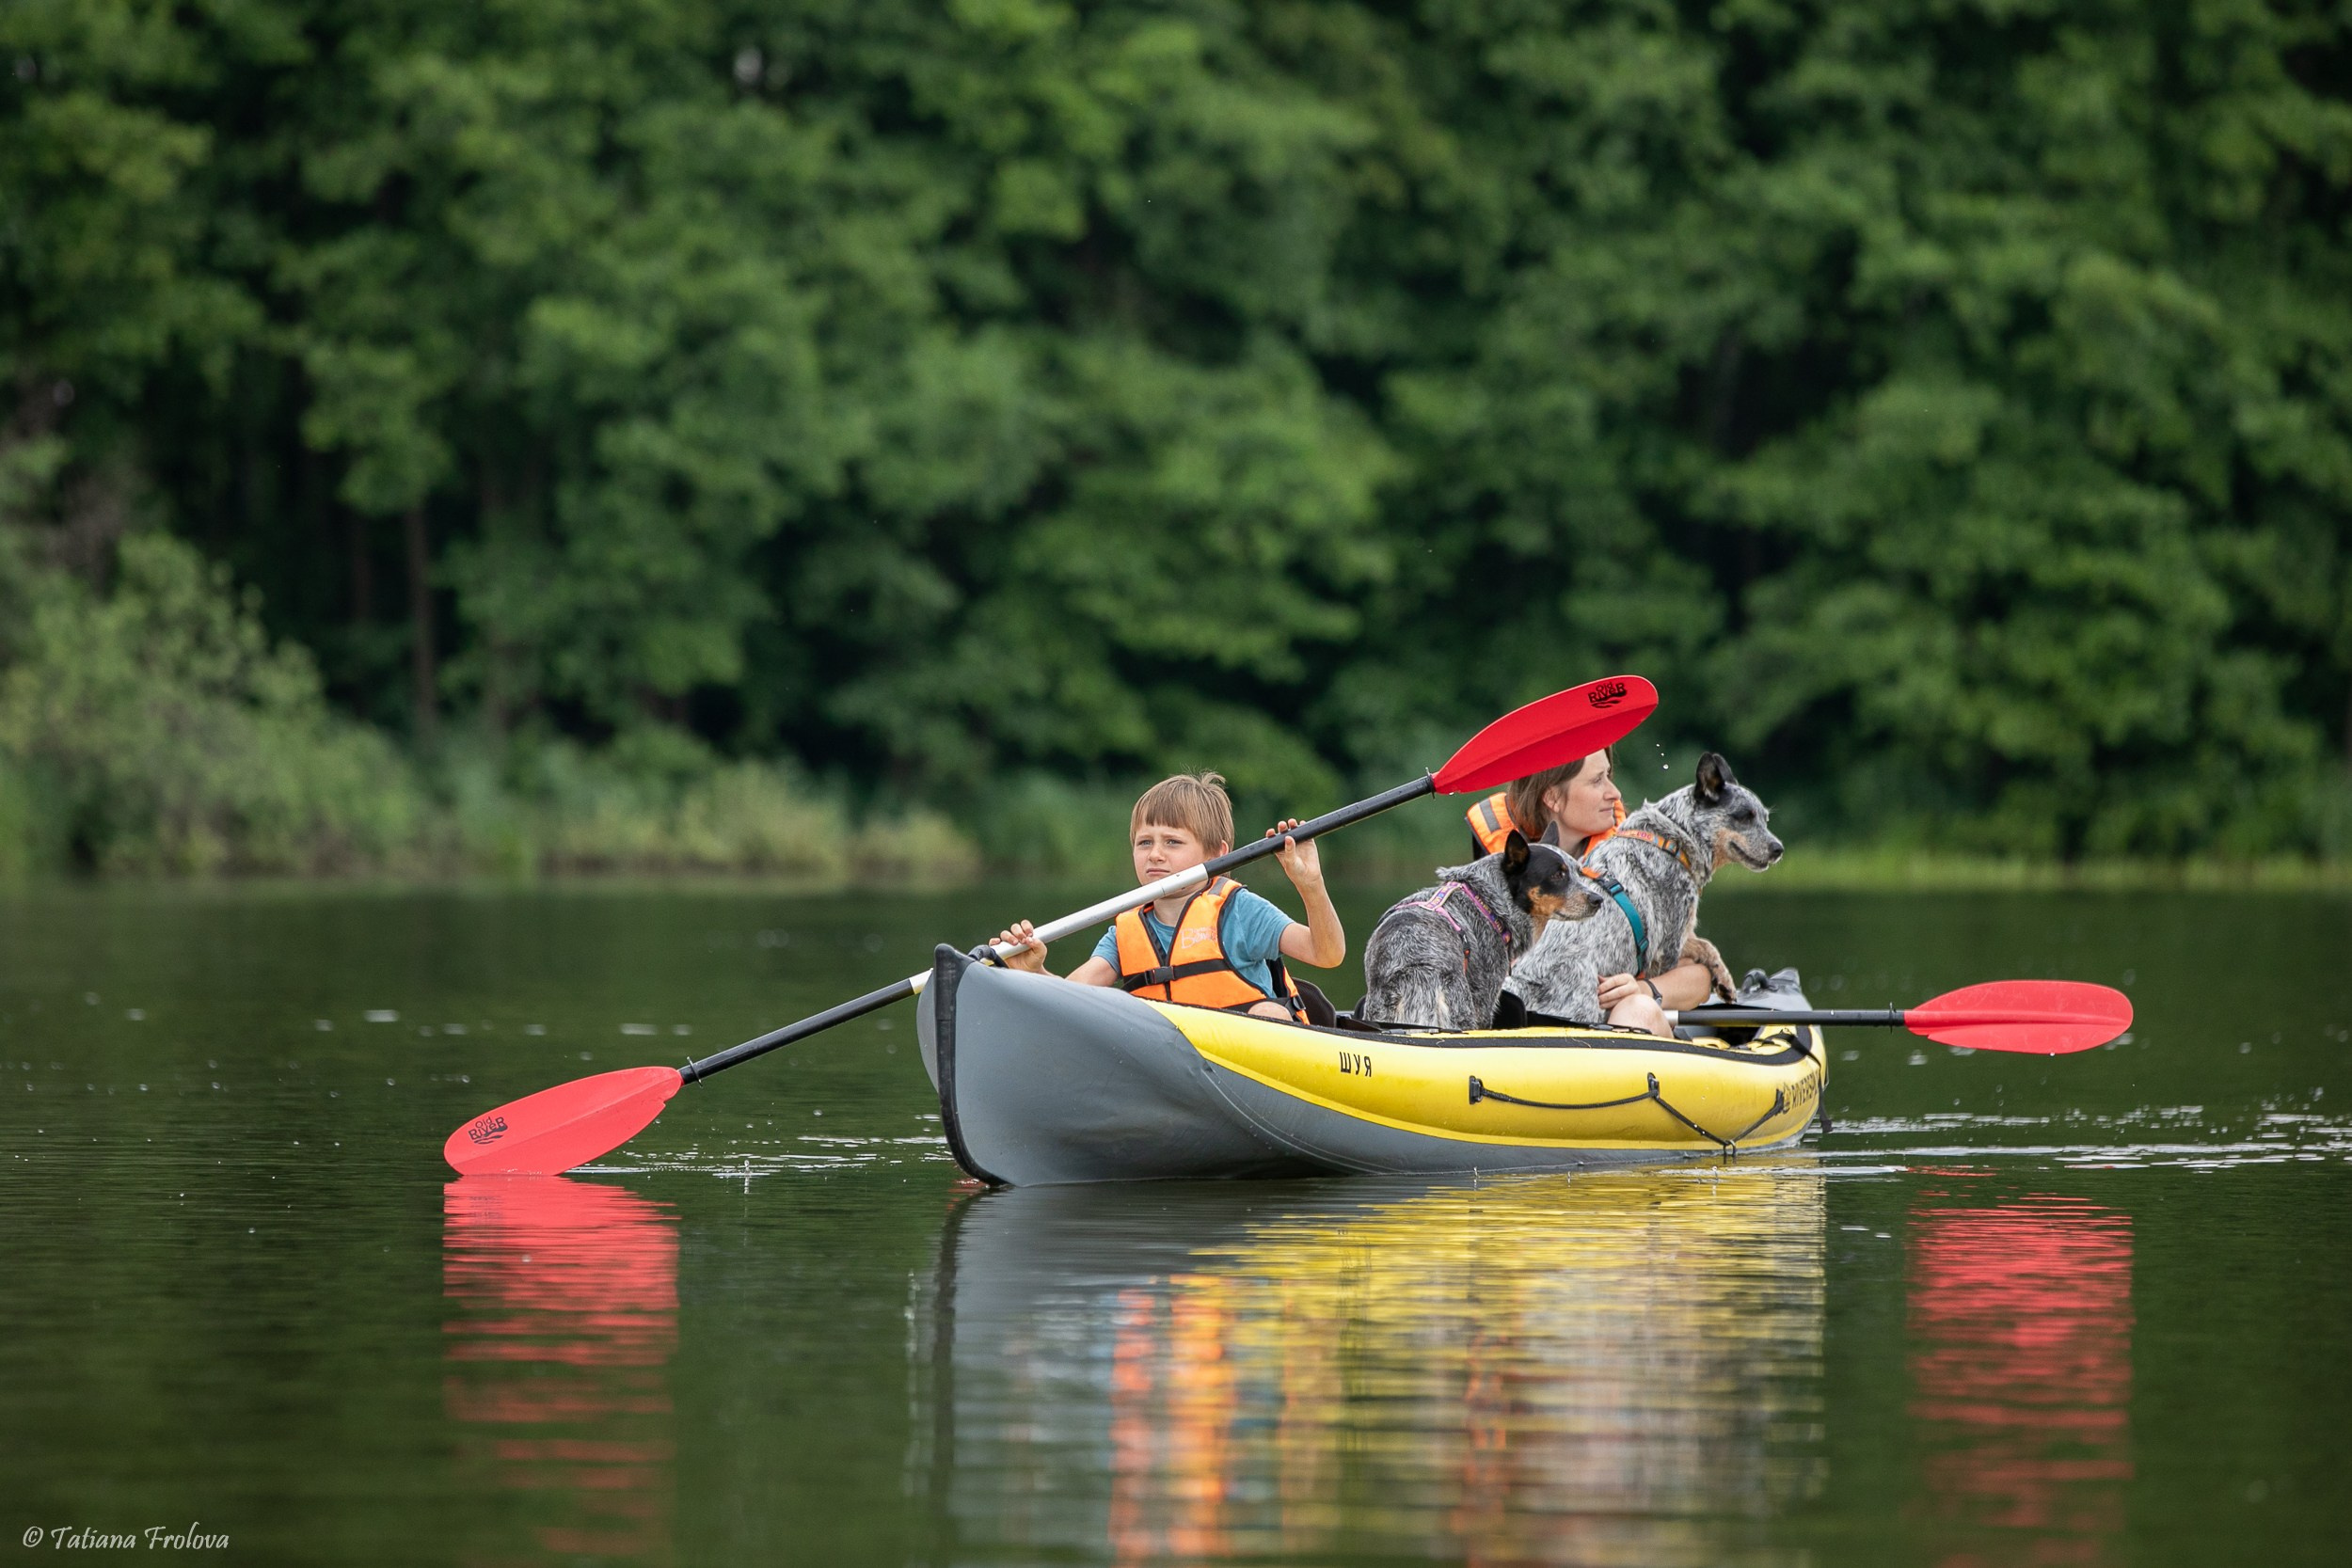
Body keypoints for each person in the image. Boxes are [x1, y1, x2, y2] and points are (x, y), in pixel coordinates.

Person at [992, 772, 1346, 1022]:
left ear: (1216, 854)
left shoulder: (1241, 911)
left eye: (1172, 842)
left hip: (1248, 1068)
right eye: (1144, 842)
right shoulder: (1127, 931)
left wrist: (1310, 884)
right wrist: (1034, 973)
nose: (1155, 854)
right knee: (1111, 1009)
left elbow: (1327, 954)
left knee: (1269, 1013)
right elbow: (1072, 998)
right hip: (1171, 1068)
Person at [1471, 748, 1713, 1037]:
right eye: (1598, 780)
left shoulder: (1631, 870)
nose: (1615, 793)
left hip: (1615, 1037)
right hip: (1522, 1039)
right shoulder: (1494, 881)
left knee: (1637, 1008)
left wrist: (1643, 988)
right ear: (1553, 798)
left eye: (1609, 777)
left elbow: (1699, 977)